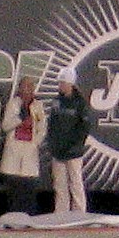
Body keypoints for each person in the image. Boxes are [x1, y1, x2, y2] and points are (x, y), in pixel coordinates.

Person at [0, 76, 46, 217]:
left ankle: (28, 214)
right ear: (19, 88)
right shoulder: (13, 104)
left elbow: (42, 128)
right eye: (24, 86)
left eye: (30, 86)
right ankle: (13, 215)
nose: (27, 90)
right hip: (14, 148)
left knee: (28, 185)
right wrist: (20, 118)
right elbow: (6, 126)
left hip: (29, 149)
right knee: (14, 185)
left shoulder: (38, 105)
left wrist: (35, 143)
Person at [46, 75, 93, 216]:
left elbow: (84, 127)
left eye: (62, 82)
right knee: (59, 184)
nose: (60, 85)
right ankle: (61, 212)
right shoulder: (56, 102)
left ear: (70, 83)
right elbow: (52, 125)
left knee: (75, 182)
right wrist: (52, 144)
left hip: (74, 151)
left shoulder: (80, 103)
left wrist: (76, 145)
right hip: (58, 150)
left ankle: (79, 212)